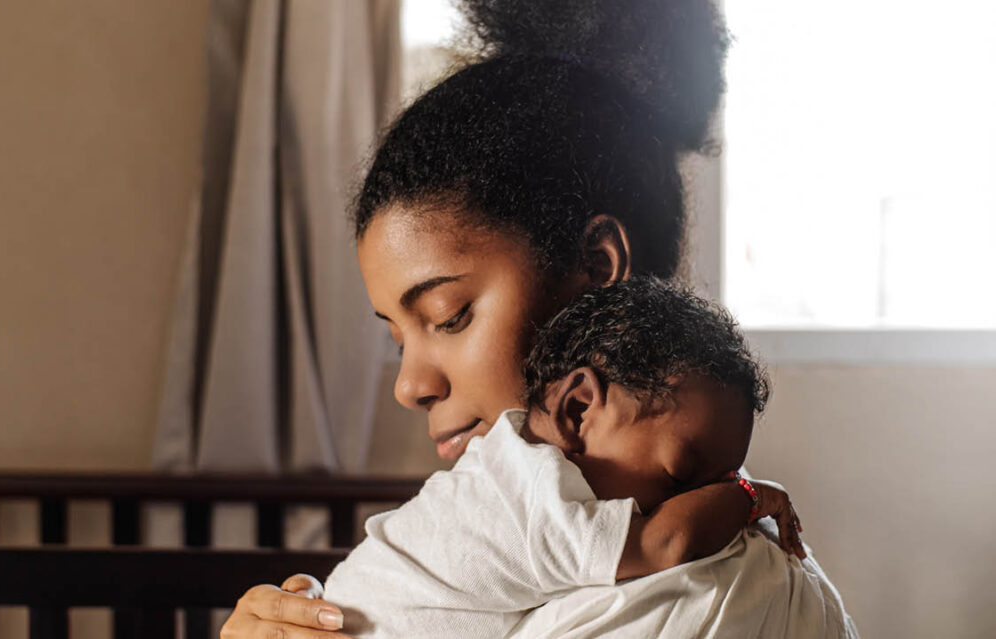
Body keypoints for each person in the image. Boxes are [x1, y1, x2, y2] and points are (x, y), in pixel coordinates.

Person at [220, 1, 847, 637]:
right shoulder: (534, 550)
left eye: (450, 315)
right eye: (395, 334)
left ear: (598, 271)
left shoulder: (704, 593)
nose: (408, 386)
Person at [319, 278, 805, 638]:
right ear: (577, 410)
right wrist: (747, 495)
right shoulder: (537, 499)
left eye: (721, 478)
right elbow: (668, 543)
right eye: (682, 474)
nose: (696, 498)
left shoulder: (508, 458)